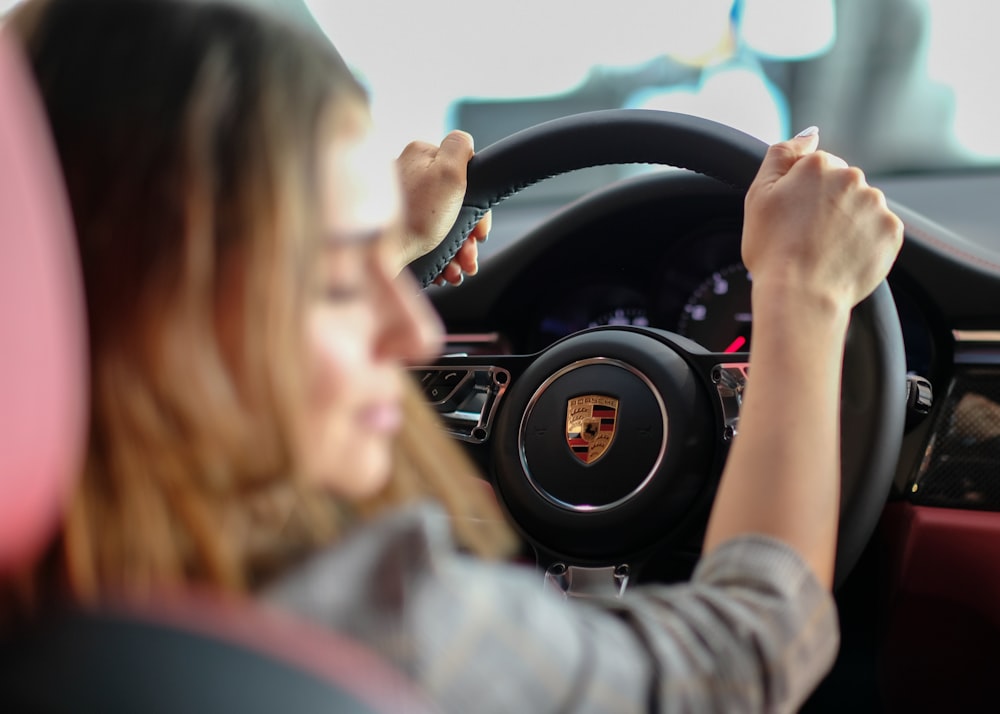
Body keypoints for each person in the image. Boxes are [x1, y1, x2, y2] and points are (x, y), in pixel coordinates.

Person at [4, 0, 903, 711]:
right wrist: (802, 294)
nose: (419, 333)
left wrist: (387, 243)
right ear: (168, 315)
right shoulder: (383, 621)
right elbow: (746, 654)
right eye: (337, 274)